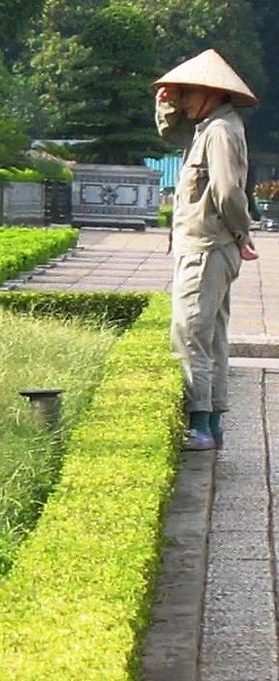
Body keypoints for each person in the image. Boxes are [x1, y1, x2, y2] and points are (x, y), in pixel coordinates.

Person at [153, 49, 259, 450]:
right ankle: (211, 423)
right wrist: (164, 107)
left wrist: (241, 230)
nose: (182, 101)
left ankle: (199, 424)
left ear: (210, 92)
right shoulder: (210, 125)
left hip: (207, 246)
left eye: (186, 93)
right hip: (207, 245)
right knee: (211, 336)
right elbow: (171, 134)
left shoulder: (219, 131)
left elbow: (229, 190)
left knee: (190, 332)